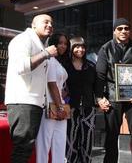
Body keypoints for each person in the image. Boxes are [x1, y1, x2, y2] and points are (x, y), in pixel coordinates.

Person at [96, 18, 132, 163]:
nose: (123, 31)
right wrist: (99, 98)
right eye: (119, 28)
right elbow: (100, 76)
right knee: (111, 137)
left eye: (126, 28)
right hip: (113, 96)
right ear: (114, 31)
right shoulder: (105, 48)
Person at [5, 14, 57, 162]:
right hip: (22, 101)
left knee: (25, 148)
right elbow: (22, 67)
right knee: (22, 148)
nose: (49, 25)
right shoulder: (22, 40)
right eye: (45, 22)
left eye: (51, 23)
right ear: (33, 25)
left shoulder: (38, 43)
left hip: (32, 103)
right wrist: (46, 53)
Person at [36, 33, 70, 163]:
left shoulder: (58, 62)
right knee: (44, 143)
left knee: (60, 142)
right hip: (49, 105)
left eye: (65, 43)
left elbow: (59, 86)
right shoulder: (49, 59)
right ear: (53, 43)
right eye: (60, 43)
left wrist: (63, 99)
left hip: (60, 104)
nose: (63, 46)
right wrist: (60, 106)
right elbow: (51, 84)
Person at [65, 37, 97, 163]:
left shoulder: (91, 66)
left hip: (89, 108)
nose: (80, 49)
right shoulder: (65, 65)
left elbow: (97, 85)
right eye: (77, 46)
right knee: (71, 140)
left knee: (87, 141)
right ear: (71, 48)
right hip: (70, 107)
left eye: (83, 47)